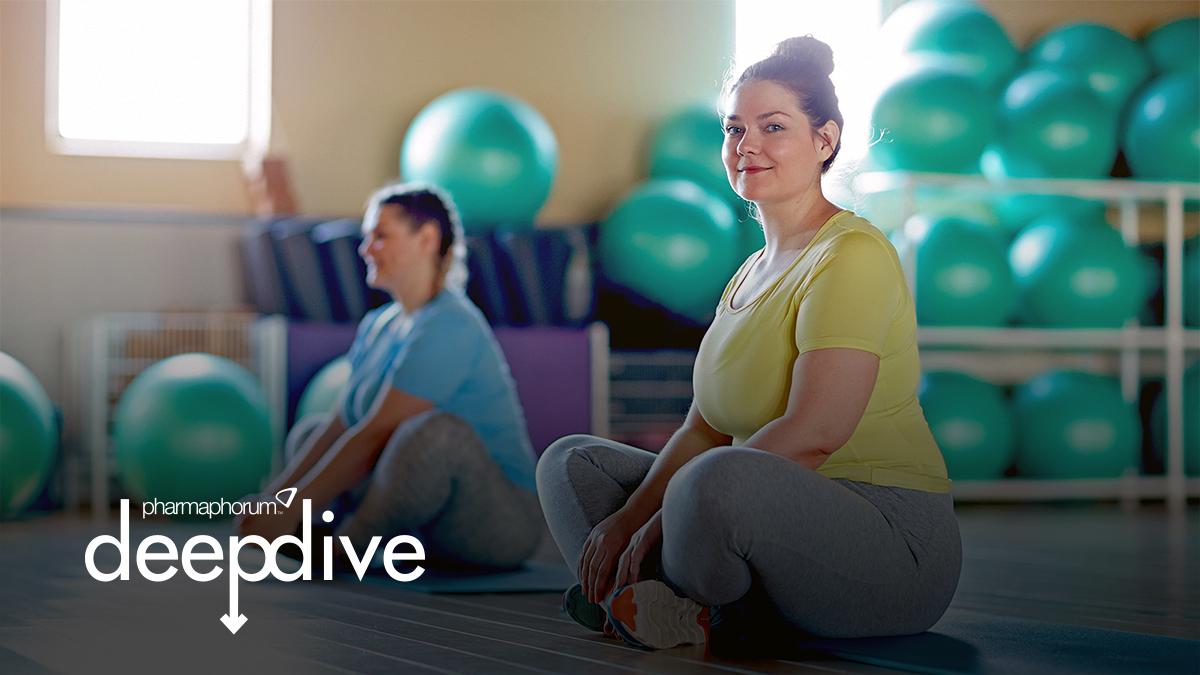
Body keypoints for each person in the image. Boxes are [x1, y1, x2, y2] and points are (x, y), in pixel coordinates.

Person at [536, 36, 961, 651]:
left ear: (825, 141)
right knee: (573, 461)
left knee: (714, 482)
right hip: (754, 509)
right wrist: (626, 522)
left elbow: (816, 431)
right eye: (735, 129)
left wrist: (664, 517)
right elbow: (701, 430)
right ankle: (662, 597)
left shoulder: (853, 255)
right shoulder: (748, 272)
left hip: (889, 542)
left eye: (773, 127)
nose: (747, 146)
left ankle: (680, 604)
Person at [237, 183, 541, 570]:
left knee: (431, 433)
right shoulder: (379, 325)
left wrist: (289, 509)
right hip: (423, 515)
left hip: (497, 522)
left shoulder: (451, 323)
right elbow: (343, 421)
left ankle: (346, 548)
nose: (366, 249)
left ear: (427, 239)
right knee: (312, 432)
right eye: (367, 237)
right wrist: (274, 501)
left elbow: (377, 431)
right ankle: (327, 531)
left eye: (380, 236)